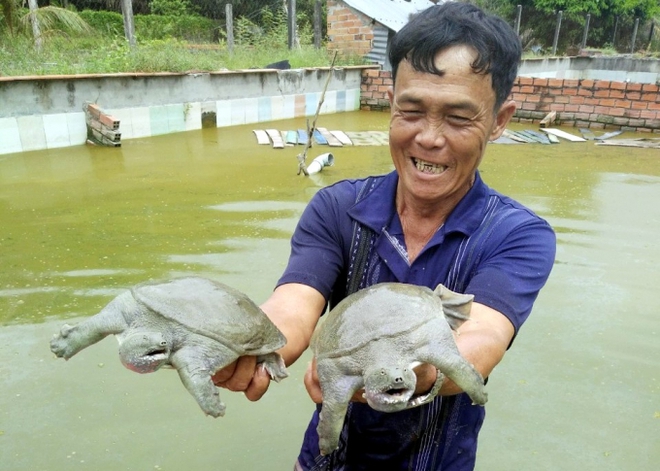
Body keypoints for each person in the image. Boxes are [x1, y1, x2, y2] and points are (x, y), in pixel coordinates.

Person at [213, 2, 556, 470]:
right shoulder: (338, 209)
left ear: (499, 119)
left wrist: (389, 373)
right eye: (411, 110)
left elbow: (481, 339)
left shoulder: (515, 234)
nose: (429, 138)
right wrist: (253, 345)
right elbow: (294, 303)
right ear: (391, 101)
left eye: (458, 118)